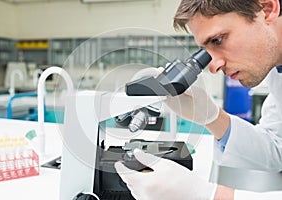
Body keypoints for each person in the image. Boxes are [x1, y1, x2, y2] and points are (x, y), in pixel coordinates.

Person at [115, 0, 282, 199]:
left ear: (267, 9)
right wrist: (212, 117)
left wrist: (211, 196)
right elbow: (276, 148)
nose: (213, 67)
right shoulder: (276, 71)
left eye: (218, 40)